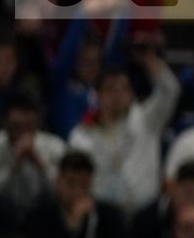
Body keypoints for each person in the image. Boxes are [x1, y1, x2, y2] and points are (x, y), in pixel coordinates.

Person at [67, 40, 180, 215]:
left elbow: (170, 90)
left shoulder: (147, 120)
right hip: (104, 213)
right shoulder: (82, 134)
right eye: (110, 89)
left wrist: (148, 59)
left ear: (131, 93)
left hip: (146, 212)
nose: (117, 96)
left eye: (123, 89)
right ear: (97, 94)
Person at [0, 93, 66, 215]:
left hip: (44, 217)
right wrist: (13, 167)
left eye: (29, 127)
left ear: (37, 123)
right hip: (0, 216)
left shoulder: (55, 146)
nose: (23, 133)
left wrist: (40, 163)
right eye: (16, 127)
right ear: (5, 123)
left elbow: (64, 191)